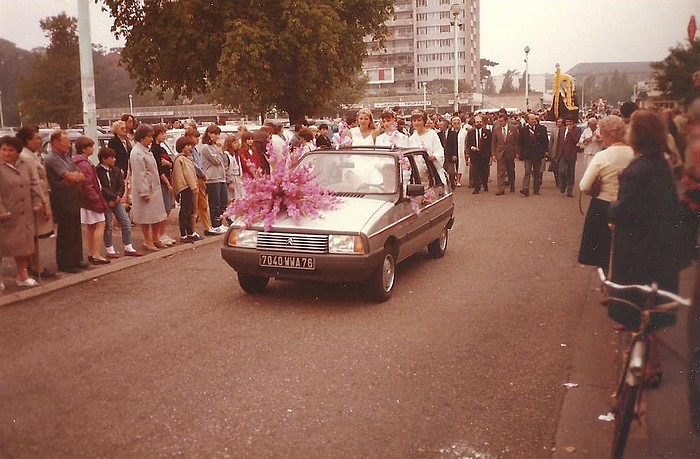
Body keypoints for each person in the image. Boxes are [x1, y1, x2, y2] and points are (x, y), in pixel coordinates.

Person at [609, 110, 692, 386]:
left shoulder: (639, 169)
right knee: (648, 307)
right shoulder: (658, 163)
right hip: (658, 245)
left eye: (631, 127)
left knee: (643, 307)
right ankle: (650, 361)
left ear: (639, 134)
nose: (627, 131)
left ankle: (652, 366)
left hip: (640, 248)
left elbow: (626, 210)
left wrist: (612, 210)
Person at [578, 115, 634, 269]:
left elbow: (584, 186)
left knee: (603, 253)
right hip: (629, 206)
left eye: (602, 134)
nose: (601, 137)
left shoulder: (602, 156)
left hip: (603, 206)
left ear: (608, 134)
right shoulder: (635, 154)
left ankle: (606, 279)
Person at [0, 136, 46, 288]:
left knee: (23, 247)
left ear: (18, 152)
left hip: (24, 212)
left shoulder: (25, 164)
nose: (7, 153)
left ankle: (22, 276)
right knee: (1, 246)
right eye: (4, 149)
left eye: (11, 150)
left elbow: (34, 183)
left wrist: (38, 201)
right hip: (6, 213)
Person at [44, 130, 87, 273]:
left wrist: (75, 177)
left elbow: (81, 175)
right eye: (66, 142)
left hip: (72, 194)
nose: (69, 145)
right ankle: (66, 263)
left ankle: (76, 259)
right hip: (61, 196)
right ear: (55, 142)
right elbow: (68, 176)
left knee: (75, 228)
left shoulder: (66, 156)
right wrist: (74, 177)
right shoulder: (52, 158)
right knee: (66, 229)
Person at [16, 126, 55, 278]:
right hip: (34, 201)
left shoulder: (31, 155)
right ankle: (34, 266)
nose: (40, 141)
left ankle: (32, 264)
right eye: (37, 138)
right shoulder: (26, 157)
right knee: (33, 235)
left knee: (34, 235)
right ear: (27, 140)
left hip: (36, 198)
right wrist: (43, 204)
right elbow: (34, 181)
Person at [96, 147, 142, 258]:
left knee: (126, 222)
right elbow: (101, 187)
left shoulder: (116, 170)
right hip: (105, 201)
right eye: (111, 157)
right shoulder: (97, 171)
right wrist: (111, 198)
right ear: (104, 159)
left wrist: (117, 197)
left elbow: (121, 185)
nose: (114, 159)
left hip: (116, 200)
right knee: (108, 225)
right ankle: (109, 248)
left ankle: (128, 246)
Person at [73, 136, 110, 265]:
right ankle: (96, 254)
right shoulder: (85, 164)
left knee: (91, 226)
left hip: (85, 200)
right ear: (84, 149)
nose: (93, 149)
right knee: (100, 223)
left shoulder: (80, 162)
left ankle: (91, 252)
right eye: (90, 146)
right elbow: (87, 183)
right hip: (91, 199)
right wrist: (95, 197)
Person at [130, 124, 167, 252]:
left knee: (157, 215)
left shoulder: (147, 150)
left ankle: (155, 238)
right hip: (146, 188)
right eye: (149, 137)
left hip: (154, 187)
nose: (151, 139)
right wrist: (144, 192)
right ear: (141, 138)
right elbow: (140, 174)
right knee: (146, 216)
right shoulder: (137, 152)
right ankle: (147, 240)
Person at [185, 124, 216, 237]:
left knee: (203, 204)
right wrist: (203, 174)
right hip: (195, 178)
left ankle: (207, 226)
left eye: (198, 137)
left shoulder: (195, 150)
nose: (197, 139)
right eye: (195, 137)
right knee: (194, 206)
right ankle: (192, 230)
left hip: (201, 179)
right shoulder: (188, 152)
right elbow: (195, 166)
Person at [151, 124, 177, 246]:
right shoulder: (154, 149)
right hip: (162, 181)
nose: (164, 135)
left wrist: (168, 163)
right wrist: (167, 183)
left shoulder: (162, 148)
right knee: (164, 208)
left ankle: (162, 232)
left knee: (168, 208)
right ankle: (159, 234)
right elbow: (158, 168)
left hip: (167, 178)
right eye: (162, 133)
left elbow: (170, 162)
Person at [200, 124, 228, 233]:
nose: (217, 136)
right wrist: (220, 150)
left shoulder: (216, 147)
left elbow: (223, 160)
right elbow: (216, 160)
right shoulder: (205, 147)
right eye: (215, 134)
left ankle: (220, 222)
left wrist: (220, 150)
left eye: (218, 134)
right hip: (212, 178)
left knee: (223, 201)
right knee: (215, 202)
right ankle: (215, 224)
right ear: (209, 134)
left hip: (221, 177)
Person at [172, 136, 200, 243]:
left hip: (189, 187)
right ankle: (183, 234)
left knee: (190, 210)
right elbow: (187, 175)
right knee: (185, 211)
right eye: (187, 145)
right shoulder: (180, 159)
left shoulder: (186, 158)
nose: (190, 148)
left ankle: (190, 232)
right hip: (185, 187)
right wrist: (193, 187)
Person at [408, 111, 446, 181]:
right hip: (418, 174)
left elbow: (439, 150)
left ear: (424, 121)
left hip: (432, 171)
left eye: (419, 120)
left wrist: (434, 156)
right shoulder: (411, 139)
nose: (416, 123)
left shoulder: (432, 134)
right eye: (414, 121)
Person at [517, 113, 549, 197]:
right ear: (528, 120)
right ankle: (525, 188)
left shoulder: (542, 129)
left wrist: (545, 151)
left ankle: (536, 189)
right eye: (532, 119)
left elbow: (545, 141)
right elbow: (520, 142)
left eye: (535, 119)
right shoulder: (523, 130)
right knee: (527, 171)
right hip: (527, 154)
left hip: (538, 154)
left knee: (537, 172)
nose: (534, 120)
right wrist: (519, 153)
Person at [491, 113, 519, 194]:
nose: (500, 123)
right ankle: (501, 189)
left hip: (510, 152)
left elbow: (517, 141)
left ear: (506, 121)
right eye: (499, 121)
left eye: (502, 121)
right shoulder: (496, 130)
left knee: (510, 171)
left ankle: (512, 185)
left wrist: (517, 152)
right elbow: (493, 143)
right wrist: (493, 154)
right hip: (500, 153)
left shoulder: (513, 129)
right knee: (500, 171)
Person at [466, 115, 493, 194]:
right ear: (474, 123)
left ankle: (485, 184)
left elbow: (490, 144)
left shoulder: (487, 132)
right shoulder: (470, 133)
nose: (479, 123)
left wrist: (490, 155)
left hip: (485, 155)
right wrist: (472, 148)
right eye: (477, 122)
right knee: (476, 172)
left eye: (480, 122)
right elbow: (468, 144)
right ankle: (476, 188)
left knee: (485, 171)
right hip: (475, 155)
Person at [556, 117, 582, 197]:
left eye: (570, 121)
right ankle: (563, 184)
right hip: (562, 153)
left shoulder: (577, 130)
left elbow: (576, 140)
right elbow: (559, 142)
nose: (568, 123)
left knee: (571, 173)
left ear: (573, 122)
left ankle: (570, 190)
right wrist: (557, 154)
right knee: (562, 171)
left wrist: (570, 131)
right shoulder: (562, 130)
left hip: (571, 154)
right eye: (567, 121)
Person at [222, 134, 244, 201]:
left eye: (237, 143)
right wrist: (229, 182)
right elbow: (225, 170)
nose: (236, 144)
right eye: (234, 143)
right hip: (231, 178)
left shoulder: (236, 155)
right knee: (232, 198)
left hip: (238, 178)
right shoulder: (226, 155)